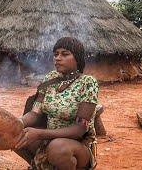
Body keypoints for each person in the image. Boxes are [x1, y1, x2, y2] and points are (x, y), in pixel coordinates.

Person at [15, 37, 99, 170]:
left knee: (57, 148)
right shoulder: (50, 78)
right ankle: (40, 166)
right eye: (56, 54)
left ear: (77, 58)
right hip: (49, 139)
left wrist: (39, 134)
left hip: (77, 145)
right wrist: (17, 123)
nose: (58, 58)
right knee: (13, 135)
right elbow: (34, 113)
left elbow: (79, 130)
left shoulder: (87, 83)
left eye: (65, 54)